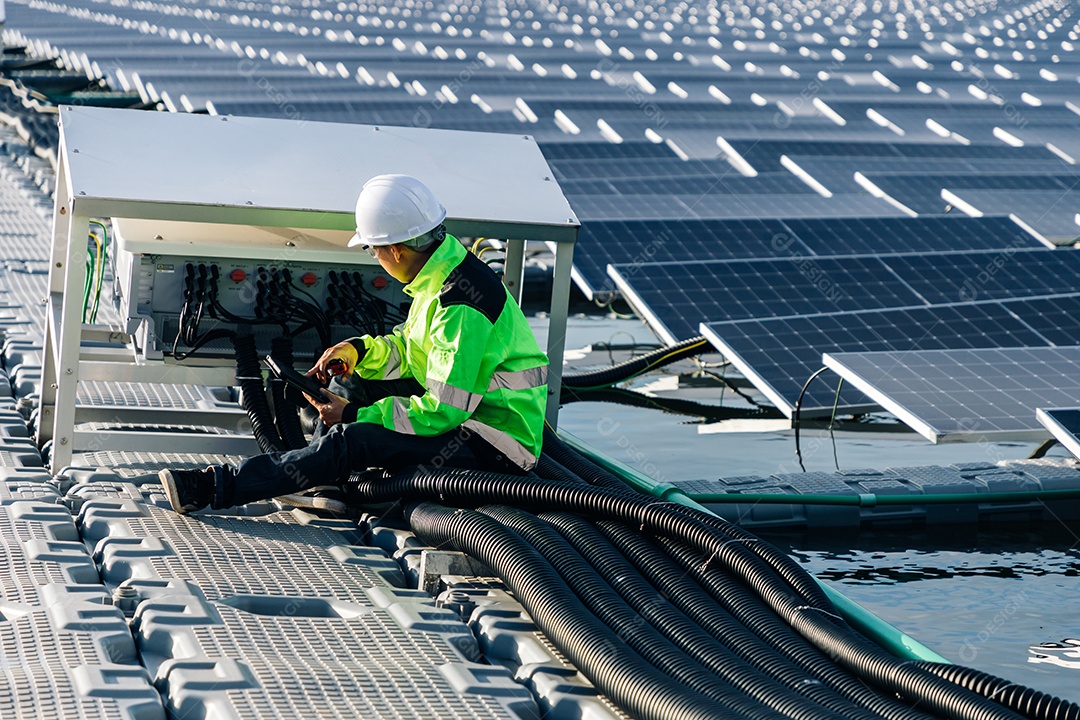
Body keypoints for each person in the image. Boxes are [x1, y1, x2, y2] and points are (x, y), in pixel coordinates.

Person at [159, 174, 549, 514]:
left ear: (395, 250)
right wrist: (357, 351)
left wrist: (352, 417)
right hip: (471, 416)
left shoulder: (459, 303)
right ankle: (324, 481)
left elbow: (443, 412)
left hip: (493, 445)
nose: (374, 257)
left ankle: (215, 486)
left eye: (372, 248)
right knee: (350, 381)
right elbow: (411, 353)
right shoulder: (442, 272)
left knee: (354, 438)